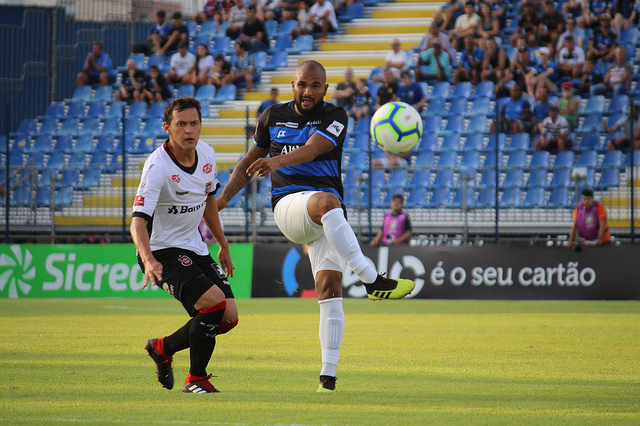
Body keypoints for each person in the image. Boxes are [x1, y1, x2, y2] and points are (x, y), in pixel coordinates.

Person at [216, 60, 416, 393]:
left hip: (328, 217)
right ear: (292, 85)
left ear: (325, 89)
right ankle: (372, 279)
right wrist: (221, 201)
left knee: (330, 291)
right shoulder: (271, 117)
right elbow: (247, 163)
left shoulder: (335, 116)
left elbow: (314, 150)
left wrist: (275, 160)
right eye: (301, 84)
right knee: (326, 200)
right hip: (290, 208)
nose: (307, 91)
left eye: (315, 86)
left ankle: (328, 375)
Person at [131, 96, 238, 394]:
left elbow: (208, 201)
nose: (189, 130)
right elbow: (137, 221)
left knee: (228, 318)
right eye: (181, 124)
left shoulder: (206, 154)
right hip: (162, 252)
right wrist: (148, 259)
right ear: (168, 127)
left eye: (194, 123)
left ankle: (162, 348)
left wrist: (222, 243)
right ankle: (196, 378)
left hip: (195, 246)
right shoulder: (157, 168)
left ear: (201, 125)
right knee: (213, 304)